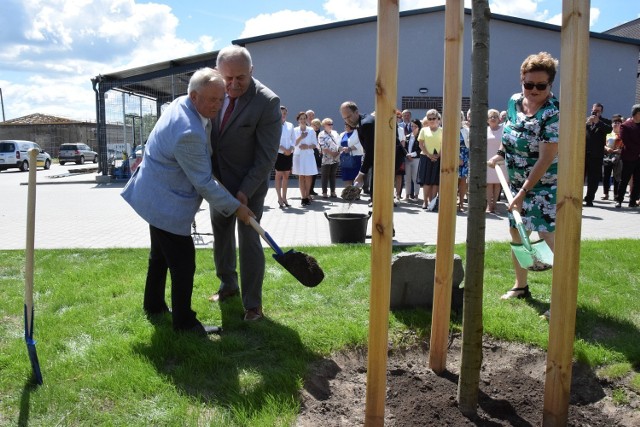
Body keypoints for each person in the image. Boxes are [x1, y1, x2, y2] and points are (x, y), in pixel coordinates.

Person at [121, 68, 255, 335]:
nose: (218, 105)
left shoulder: (181, 104)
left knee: (159, 256)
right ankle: (185, 323)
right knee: (183, 264)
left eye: (221, 99)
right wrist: (236, 208)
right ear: (194, 96)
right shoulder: (188, 131)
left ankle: (154, 306)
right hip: (164, 202)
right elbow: (203, 183)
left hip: (153, 193)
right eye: (212, 100)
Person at [208, 45, 281, 321]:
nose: (233, 85)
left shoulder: (267, 102)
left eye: (241, 77)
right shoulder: (212, 90)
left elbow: (266, 157)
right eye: (228, 78)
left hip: (250, 184)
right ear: (218, 72)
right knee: (221, 234)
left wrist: (244, 192)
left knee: (249, 238)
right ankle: (228, 285)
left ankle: (253, 304)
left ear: (252, 71)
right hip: (217, 182)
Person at [487, 51, 559, 302]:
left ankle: (560, 296)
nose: (534, 90)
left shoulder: (553, 112)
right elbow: (509, 133)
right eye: (529, 84)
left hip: (543, 185)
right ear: (522, 81)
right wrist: (500, 154)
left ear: (550, 84)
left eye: (541, 85)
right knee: (517, 233)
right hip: (516, 182)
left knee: (548, 236)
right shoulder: (514, 101)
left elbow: (546, 157)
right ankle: (521, 286)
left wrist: (523, 193)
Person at [584, 103, 612, 207]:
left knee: (593, 179)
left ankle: (589, 199)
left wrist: (598, 122)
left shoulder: (605, 122)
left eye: (598, 111)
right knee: (580, 178)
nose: (596, 112)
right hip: (583, 155)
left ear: (601, 112)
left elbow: (609, 129)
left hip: (596, 155)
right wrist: (587, 123)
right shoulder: (587, 121)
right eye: (594, 110)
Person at [417, 109, 442, 210]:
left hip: (438, 157)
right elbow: (421, 144)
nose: (431, 120)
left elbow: (444, 144)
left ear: (438, 119)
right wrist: (428, 155)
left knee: (435, 181)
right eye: (429, 118)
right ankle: (425, 201)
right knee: (427, 181)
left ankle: (433, 201)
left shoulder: (442, 130)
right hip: (426, 157)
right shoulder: (424, 130)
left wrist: (438, 155)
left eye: (433, 118)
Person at [615, 104, 640, 208]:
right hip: (629, 157)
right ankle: (619, 200)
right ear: (637, 113)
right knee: (624, 179)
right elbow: (626, 142)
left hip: (639, 158)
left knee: (638, 180)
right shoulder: (625, 125)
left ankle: (633, 201)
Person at [292, 111, 319, 206]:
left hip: (308, 155)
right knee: (301, 176)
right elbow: (293, 143)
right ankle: (303, 197)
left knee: (308, 176)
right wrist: (300, 137)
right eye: (301, 118)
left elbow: (315, 144)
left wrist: (307, 146)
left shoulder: (311, 130)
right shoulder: (294, 130)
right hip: (298, 155)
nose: (303, 120)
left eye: (304, 118)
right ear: (298, 120)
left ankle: (307, 195)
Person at [486, 108, 506, 213]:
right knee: (489, 183)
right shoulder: (485, 131)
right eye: (491, 117)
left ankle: (495, 205)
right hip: (488, 159)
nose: (493, 118)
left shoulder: (503, 130)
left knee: (498, 183)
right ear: (487, 120)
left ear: (499, 119)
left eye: (495, 116)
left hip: (500, 159)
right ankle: (489, 205)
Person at [275, 105, 295, 208]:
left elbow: (293, 139)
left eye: (284, 113)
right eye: (281, 112)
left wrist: (290, 149)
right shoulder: (274, 125)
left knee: (286, 176)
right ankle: (279, 198)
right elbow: (273, 140)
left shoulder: (290, 125)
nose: (283, 114)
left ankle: (284, 197)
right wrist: (283, 149)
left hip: (289, 153)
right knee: (278, 175)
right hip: (279, 153)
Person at [602, 114, 624, 201]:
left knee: (617, 176)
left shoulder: (623, 135)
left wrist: (620, 151)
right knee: (606, 176)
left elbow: (625, 146)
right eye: (614, 122)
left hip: (618, 157)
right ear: (611, 124)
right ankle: (606, 194)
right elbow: (603, 144)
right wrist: (607, 148)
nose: (616, 124)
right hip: (608, 156)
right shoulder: (607, 134)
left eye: (618, 123)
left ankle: (616, 194)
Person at [317, 117, 340, 197]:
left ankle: (333, 192)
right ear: (324, 125)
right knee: (325, 175)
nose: (331, 125)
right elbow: (322, 146)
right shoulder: (321, 134)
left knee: (333, 175)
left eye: (331, 124)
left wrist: (337, 152)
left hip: (335, 157)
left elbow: (338, 144)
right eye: (329, 124)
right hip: (326, 158)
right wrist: (331, 153)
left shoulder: (335, 133)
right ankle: (324, 192)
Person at [403, 119, 422, 200]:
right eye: (412, 126)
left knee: (415, 178)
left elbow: (420, 149)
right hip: (407, 159)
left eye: (415, 126)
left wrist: (411, 155)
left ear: (419, 127)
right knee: (407, 178)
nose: (413, 128)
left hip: (416, 159)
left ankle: (416, 195)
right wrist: (407, 155)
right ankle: (407, 195)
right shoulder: (408, 136)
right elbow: (404, 147)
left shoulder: (420, 137)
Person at [458, 111, 470, 211]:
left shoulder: (466, 130)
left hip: (465, 156)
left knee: (463, 181)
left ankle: (461, 203)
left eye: (460, 117)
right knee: (454, 180)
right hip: (454, 156)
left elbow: (469, 144)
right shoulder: (449, 130)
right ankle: (454, 202)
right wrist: (457, 157)